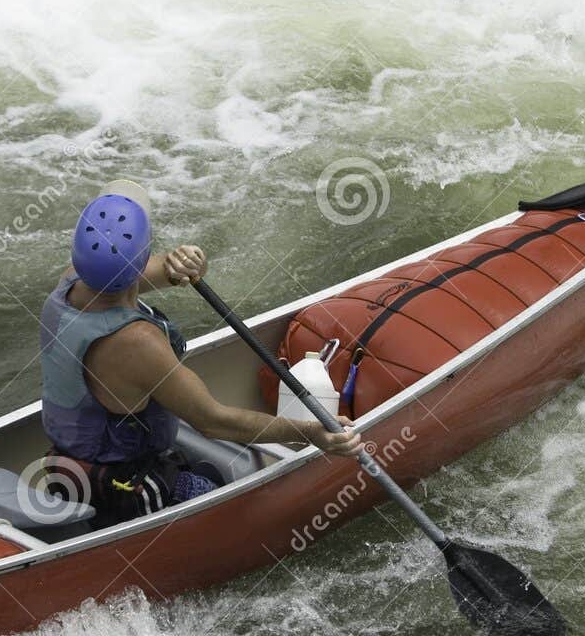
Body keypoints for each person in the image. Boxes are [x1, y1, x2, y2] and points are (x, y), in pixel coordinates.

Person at [40, 178, 362, 525]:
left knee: (208, 470)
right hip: (127, 489)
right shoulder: (137, 343)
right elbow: (213, 421)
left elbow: (162, 270)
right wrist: (309, 433)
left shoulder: (74, 277)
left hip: (70, 469)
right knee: (248, 515)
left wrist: (185, 262)